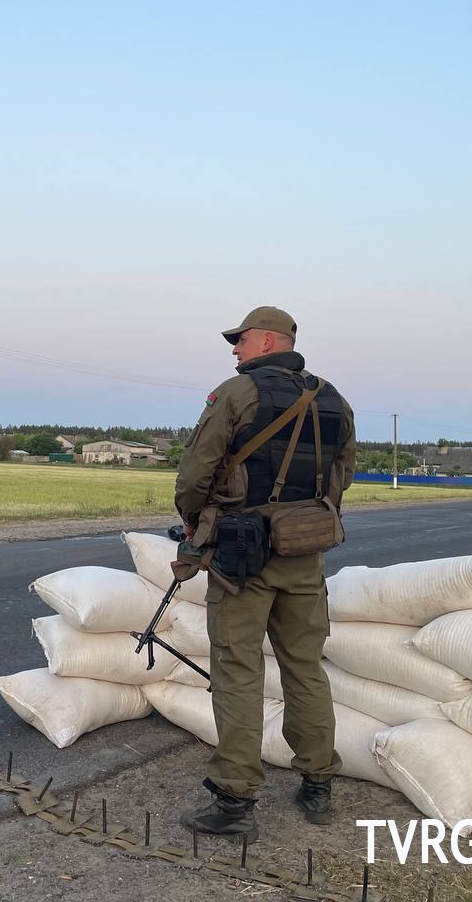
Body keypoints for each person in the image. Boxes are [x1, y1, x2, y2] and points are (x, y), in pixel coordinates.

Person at [174, 306, 356, 843]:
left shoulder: (235, 395)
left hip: (242, 556)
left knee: (237, 669)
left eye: (241, 340)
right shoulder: (333, 398)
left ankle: (235, 799)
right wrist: (304, 516)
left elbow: (195, 473)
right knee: (305, 667)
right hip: (306, 551)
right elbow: (341, 471)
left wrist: (192, 521)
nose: (234, 349)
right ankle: (319, 783)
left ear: (270, 341)